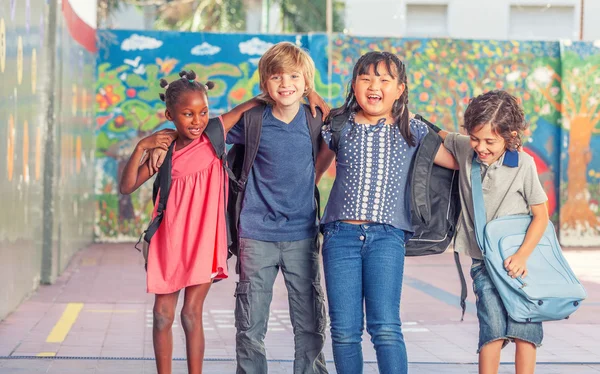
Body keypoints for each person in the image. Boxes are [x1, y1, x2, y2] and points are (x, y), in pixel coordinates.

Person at [315, 51, 458, 374]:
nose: (374, 86)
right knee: (344, 330)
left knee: (385, 327)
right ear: (354, 84)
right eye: (365, 78)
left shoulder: (414, 130)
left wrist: (457, 137)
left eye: (384, 79)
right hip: (340, 237)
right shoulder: (337, 125)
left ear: (400, 88)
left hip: (387, 238)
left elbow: (457, 161)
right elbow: (315, 172)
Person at [119, 70, 259, 374]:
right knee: (161, 315)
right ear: (169, 114)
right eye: (187, 114)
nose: (197, 120)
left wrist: (308, 94)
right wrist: (144, 145)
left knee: (191, 313)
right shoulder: (164, 150)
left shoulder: (215, 133)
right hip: (168, 241)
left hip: (204, 241)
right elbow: (127, 185)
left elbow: (253, 103)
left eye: (203, 111)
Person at [226, 41, 330, 374]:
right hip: (256, 234)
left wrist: (317, 98)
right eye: (276, 77)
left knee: (310, 320)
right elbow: (214, 130)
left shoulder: (314, 119)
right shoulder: (253, 120)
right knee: (250, 322)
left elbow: (340, 125)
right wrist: (251, 103)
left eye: (294, 77)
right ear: (264, 84)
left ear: (306, 82)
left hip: (302, 233)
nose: (285, 84)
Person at [439, 90, 548, 374]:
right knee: (493, 330)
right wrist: (401, 115)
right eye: (475, 138)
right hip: (484, 264)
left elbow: (541, 216)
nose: (481, 147)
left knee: (526, 332)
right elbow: (437, 134)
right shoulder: (465, 148)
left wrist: (523, 256)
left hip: (521, 268)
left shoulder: (523, 164)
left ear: (510, 135)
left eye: (490, 141)